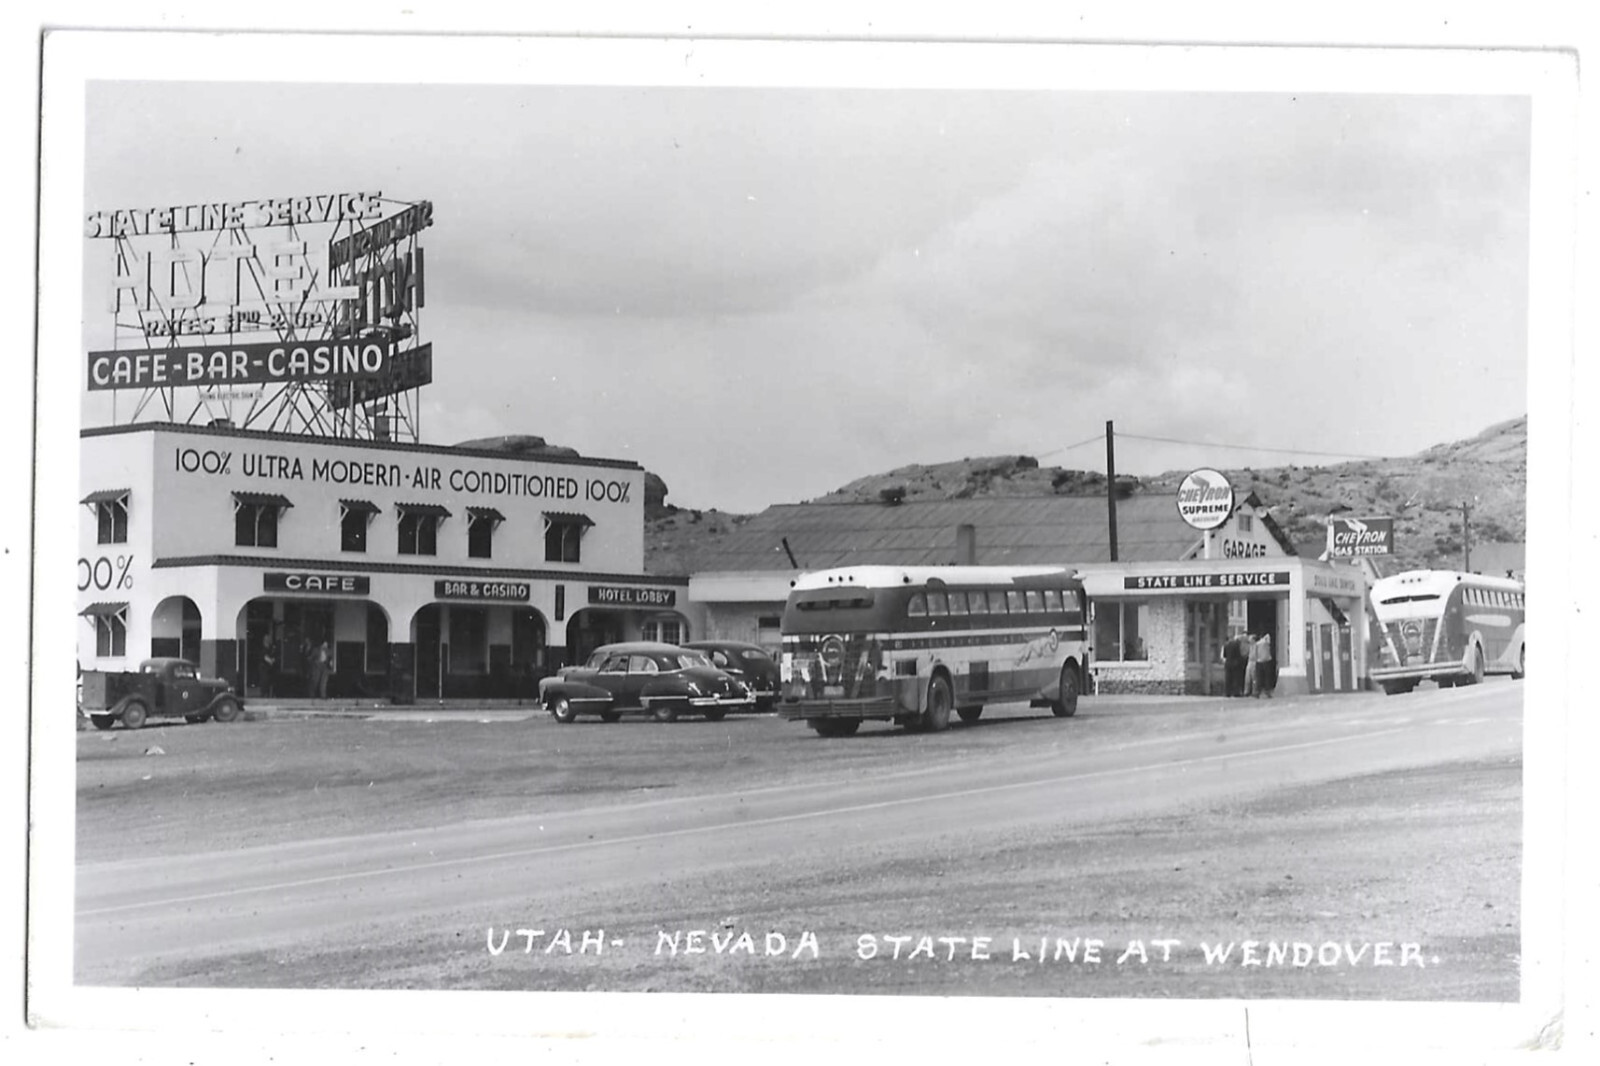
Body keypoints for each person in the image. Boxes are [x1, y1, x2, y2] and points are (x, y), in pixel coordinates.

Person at [1222, 633, 1246, 697]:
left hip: (1228, 663)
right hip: (1235, 663)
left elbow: (1224, 655)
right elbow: (1239, 654)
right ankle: (1236, 692)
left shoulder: (1226, 645)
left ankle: (1227, 692)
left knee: (1228, 678)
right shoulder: (1237, 645)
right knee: (1236, 678)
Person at [1254, 630, 1276, 699]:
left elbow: (1255, 654)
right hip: (1267, 661)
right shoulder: (1266, 642)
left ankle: (1257, 692)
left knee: (1259, 678)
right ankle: (1268, 692)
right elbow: (1268, 637)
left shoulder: (1257, 644)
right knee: (1267, 678)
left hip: (1259, 661)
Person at [260, 633, 278, 698]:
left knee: (271, 682)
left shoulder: (271, 648)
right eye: (267, 639)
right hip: (264, 668)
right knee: (265, 682)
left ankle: (271, 695)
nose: (268, 640)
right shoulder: (263, 648)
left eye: (269, 639)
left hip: (271, 669)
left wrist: (273, 660)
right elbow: (265, 657)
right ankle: (263, 695)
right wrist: (270, 660)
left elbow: (274, 656)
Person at [1243, 631, 1259, 697]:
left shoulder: (1257, 646)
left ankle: (1254, 691)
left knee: (1254, 678)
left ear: (1253, 640)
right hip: (1249, 661)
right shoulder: (1250, 646)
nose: (1249, 640)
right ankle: (1246, 691)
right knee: (1247, 677)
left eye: (1250, 639)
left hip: (1254, 662)